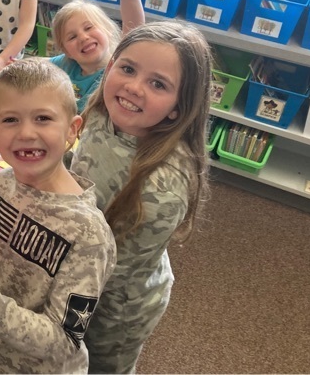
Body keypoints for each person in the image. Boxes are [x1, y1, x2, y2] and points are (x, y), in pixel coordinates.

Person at [0, 58, 116, 374]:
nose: (26, 133)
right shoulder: (2, 184)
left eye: (43, 118)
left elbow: (63, 342)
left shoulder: (88, 233)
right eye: (11, 120)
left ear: (72, 130)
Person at [70, 21, 212, 374]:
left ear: (179, 106)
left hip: (115, 306)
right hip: (82, 266)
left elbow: (111, 270)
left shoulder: (162, 190)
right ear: (111, 64)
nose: (133, 87)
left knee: (102, 366)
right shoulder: (106, 112)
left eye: (158, 84)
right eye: (128, 69)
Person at [50, 0, 145, 112]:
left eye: (89, 28)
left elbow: (135, 28)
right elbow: (36, 66)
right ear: (66, 51)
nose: (83, 37)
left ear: (108, 29)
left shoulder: (117, 67)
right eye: (72, 37)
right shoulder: (66, 65)